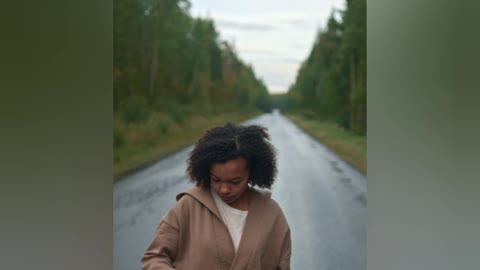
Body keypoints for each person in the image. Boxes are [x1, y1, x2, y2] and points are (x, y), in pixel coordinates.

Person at [141, 122, 291, 270]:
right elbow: (155, 257)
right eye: (216, 180)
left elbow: (282, 265)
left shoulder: (271, 214)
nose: (224, 189)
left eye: (235, 181)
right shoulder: (188, 206)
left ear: (251, 173)